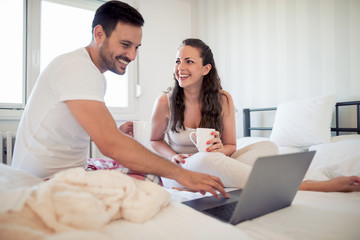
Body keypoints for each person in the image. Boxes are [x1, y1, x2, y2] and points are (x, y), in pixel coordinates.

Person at [11, 1, 228, 199]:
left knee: (148, 175)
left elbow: (93, 130)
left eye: (136, 47)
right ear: (99, 34)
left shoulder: (91, 74)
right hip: (42, 183)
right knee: (152, 183)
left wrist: (117, 131)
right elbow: (110, 144)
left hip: (71, 170)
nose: (132, 56)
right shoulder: (77, 68)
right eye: (125, 45)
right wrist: (182, 175)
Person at [150, 38, 360, 193]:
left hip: (217, 160)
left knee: (267, 146)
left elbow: (232, 145)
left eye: (188, 61)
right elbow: (155, 139)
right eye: (178, 61)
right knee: (207, 159)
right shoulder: (165, 102)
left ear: (206, 69)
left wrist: (221, 150)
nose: (180, 68)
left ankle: (226, 179)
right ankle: (305, 185)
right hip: (182, 168)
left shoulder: (223, 99)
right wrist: (172, 156)